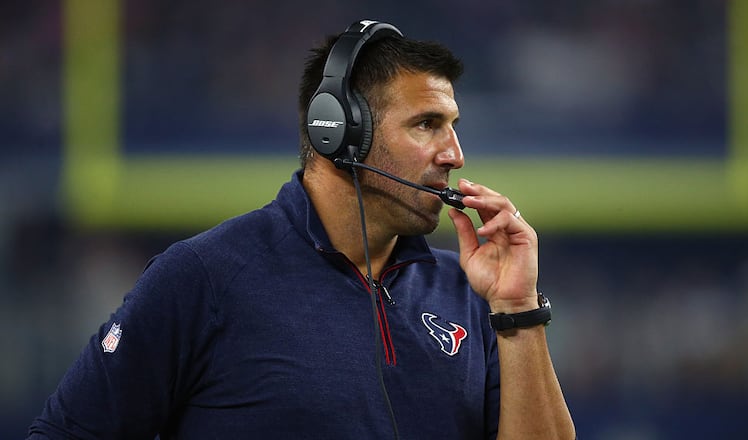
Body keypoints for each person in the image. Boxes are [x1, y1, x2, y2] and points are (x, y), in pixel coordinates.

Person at [28, 20, 575, 439]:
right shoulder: (205, 277)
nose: (454, 155)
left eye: (453, 127)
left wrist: (517, 307)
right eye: (427, 125)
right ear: (339, 132)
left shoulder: (470, 293)